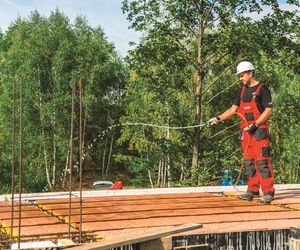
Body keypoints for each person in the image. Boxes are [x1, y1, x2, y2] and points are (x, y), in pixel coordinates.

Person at [209, 61, 275, 204]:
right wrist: (217, 118)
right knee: (249, 162)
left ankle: (268, 192)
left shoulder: (263, 89)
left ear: (250, 73)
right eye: (239, 76)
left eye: (242, 75)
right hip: (246, 133)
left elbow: (268, 110)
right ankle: (252, 190)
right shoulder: (242, 91)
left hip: (259, 131)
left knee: (262, 161)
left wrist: (256, 124)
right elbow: (233, 110)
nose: (240, 79)